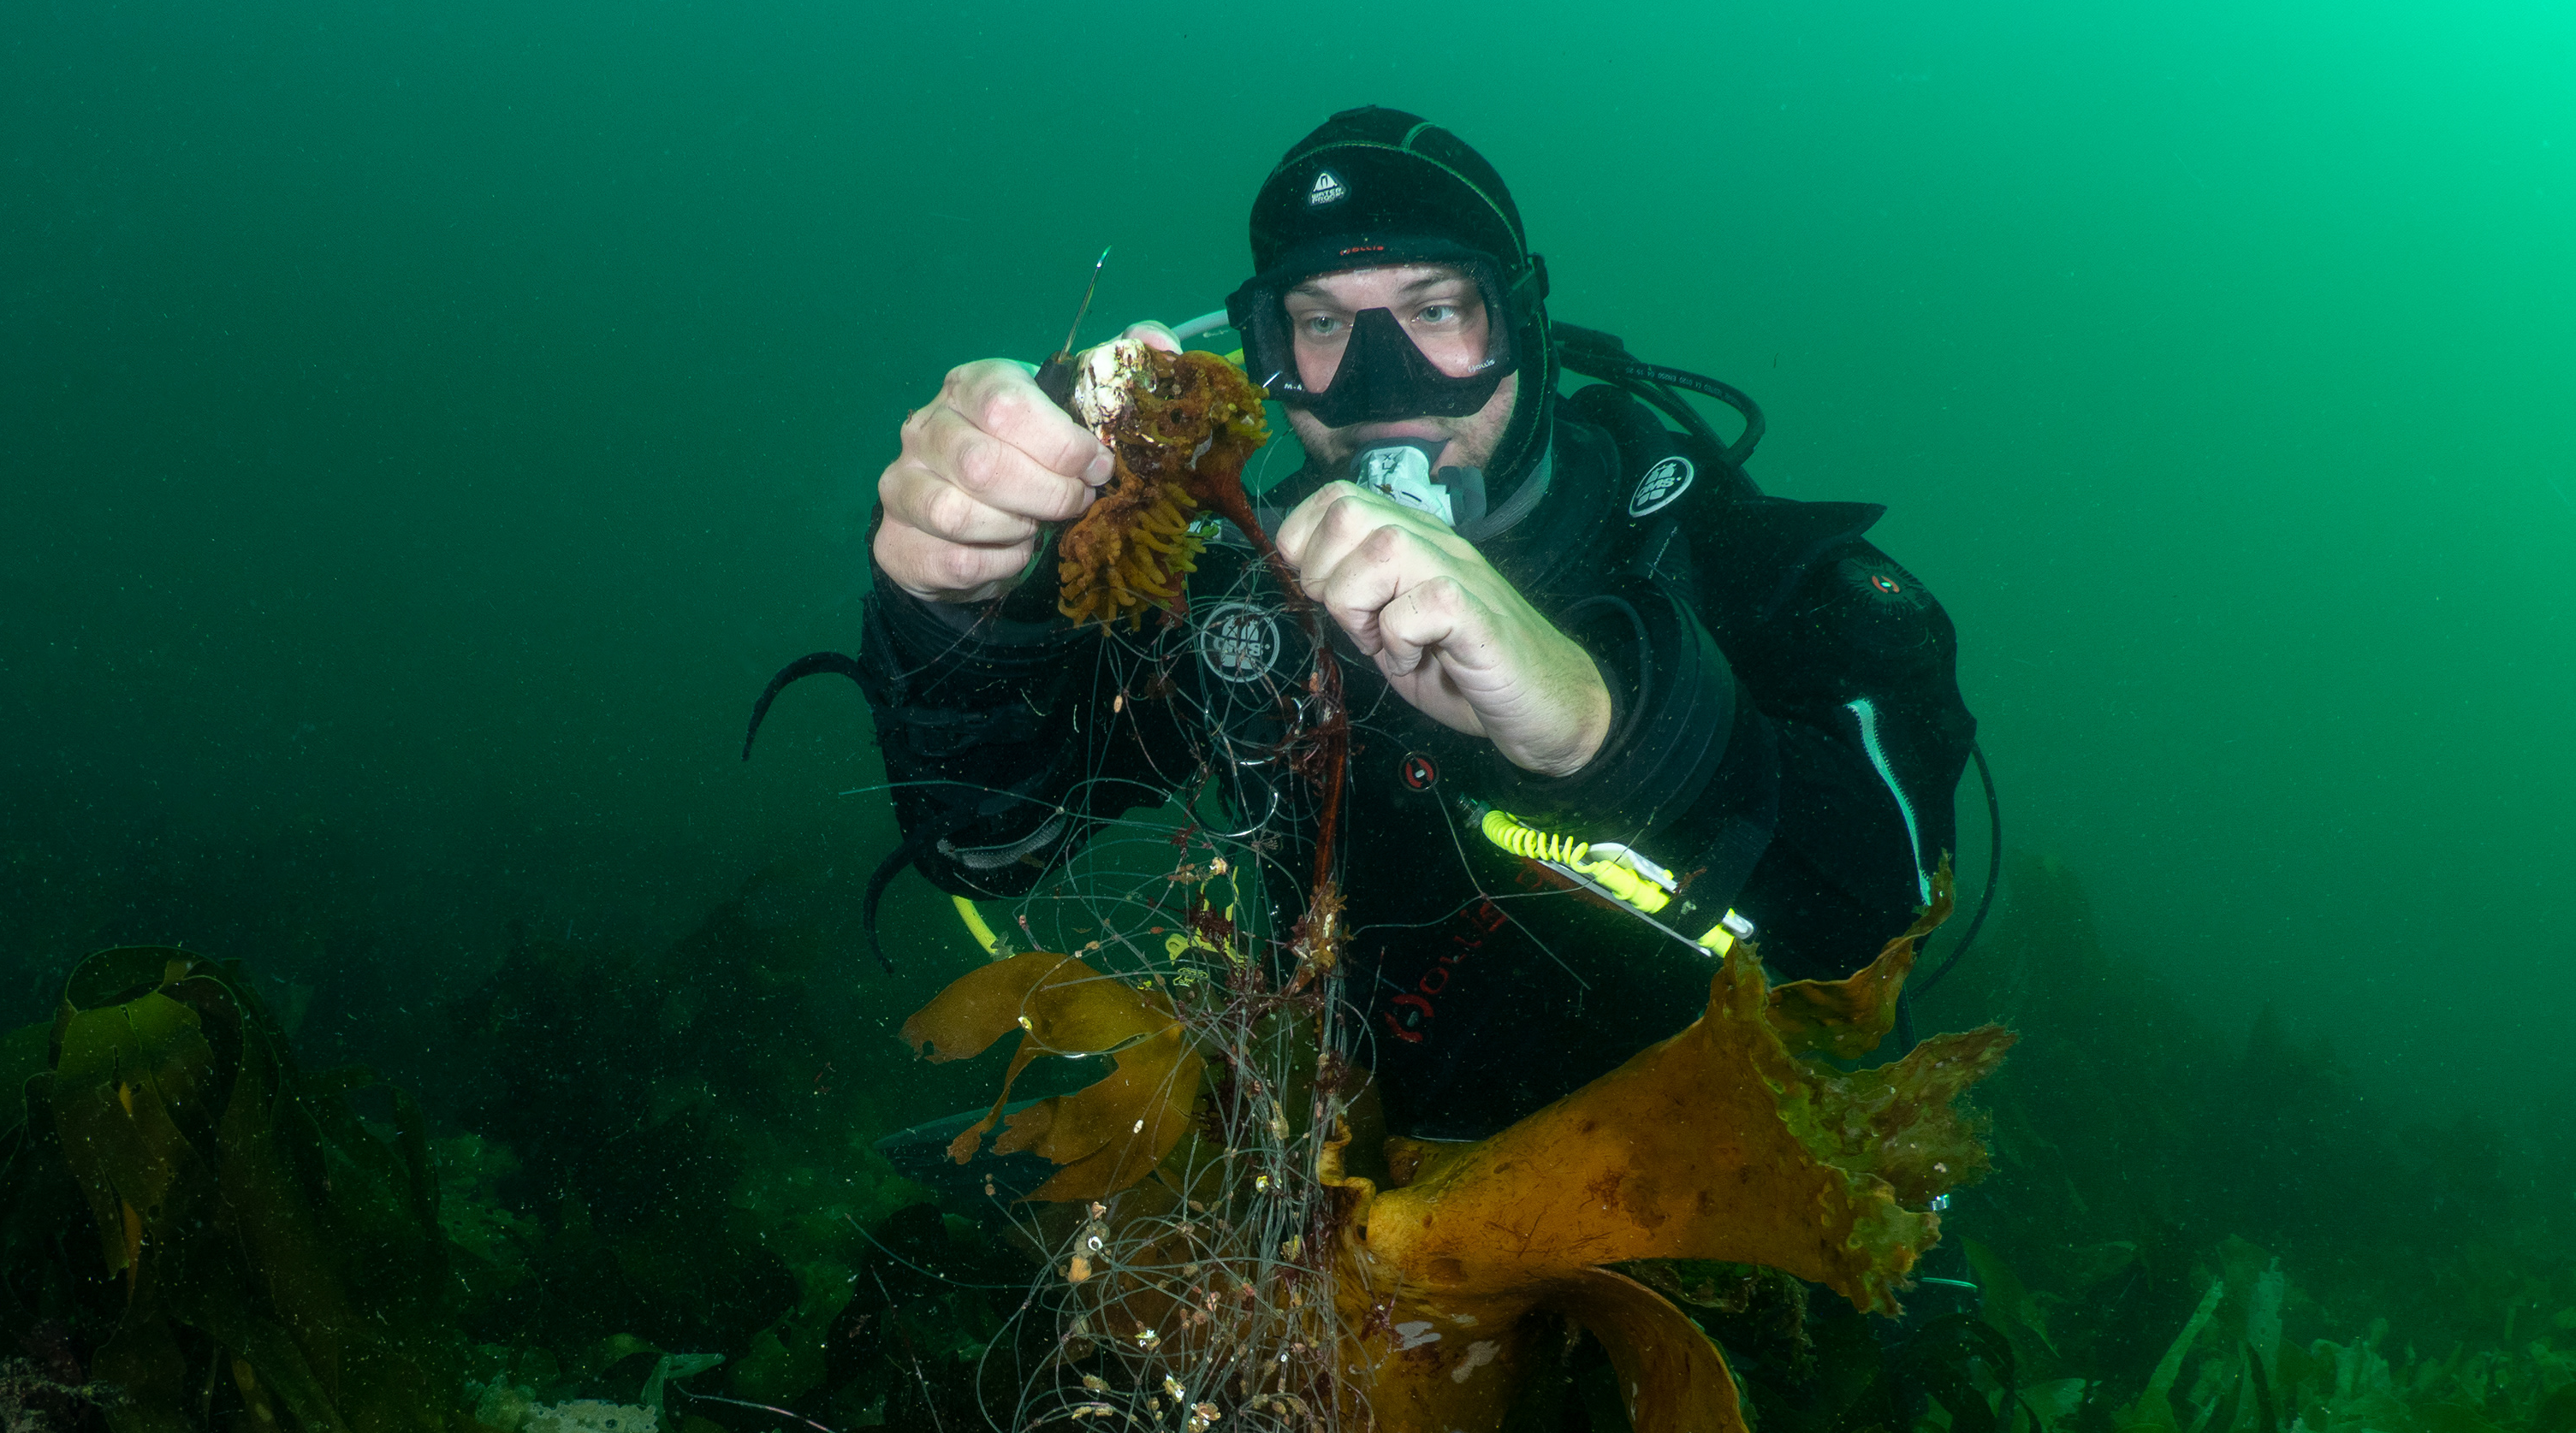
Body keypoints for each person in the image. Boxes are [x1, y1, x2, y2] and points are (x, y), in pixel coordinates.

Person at [815, 106, 1974, 1142]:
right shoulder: (1251, 588)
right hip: (1359, 1207)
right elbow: (987, 836)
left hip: (1716, 1196)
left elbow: (1872, 922)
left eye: (1434, 311)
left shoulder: (1728, 554)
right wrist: (953, 599)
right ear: (1262, 353)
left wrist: (1597, 723)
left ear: (1521, 319)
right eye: (1319, 326)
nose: (1380, 385)